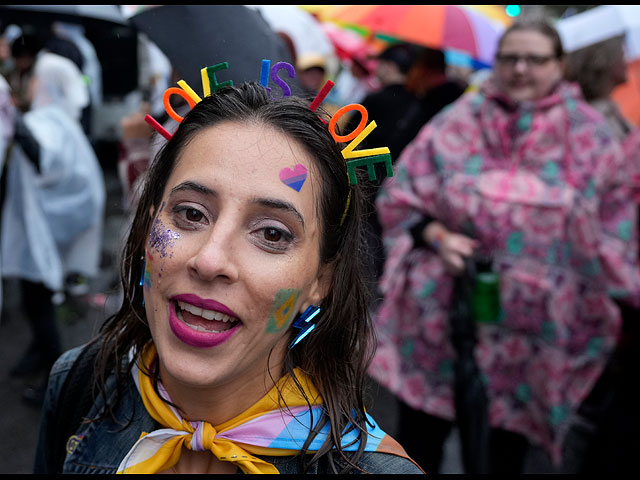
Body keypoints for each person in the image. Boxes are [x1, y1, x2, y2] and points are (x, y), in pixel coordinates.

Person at [34, 81, 425, 474]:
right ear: (148, 223)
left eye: (272, 233)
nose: (209, 260)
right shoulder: (78, 384)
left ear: (321, 280)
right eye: (190, 213)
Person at [370, 18, 640, 474]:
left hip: (531, 341)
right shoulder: (458, 121)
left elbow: (616, 235)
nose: (519, 69)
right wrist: (437, 237)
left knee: (503, 454)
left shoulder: (593, 138)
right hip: (439, 320)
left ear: (560, 65)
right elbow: (402, 195)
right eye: (509, 58)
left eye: (535, 59)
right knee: (419, 443)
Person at [0, 51, 106, 402]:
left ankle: (53, 377)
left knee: (38, 300)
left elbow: (44, 159)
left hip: (44, 229)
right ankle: (37, 352)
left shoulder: (46, 122)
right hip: (46, 225)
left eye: (31, 79)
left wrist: (14, 120)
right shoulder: (56, 118)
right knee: (36, 298)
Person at [565, 35, 632, 142]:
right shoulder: (591, 119)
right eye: (621, 54)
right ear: (606, 61)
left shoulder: (609, 109)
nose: (626, 62)